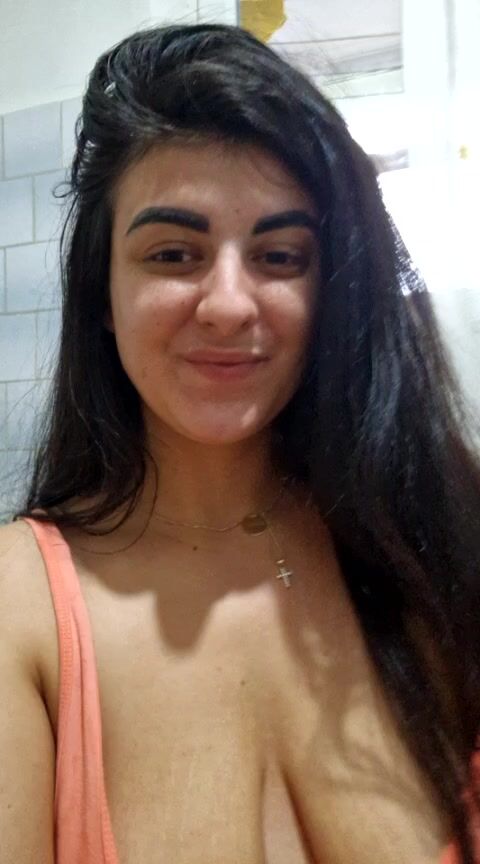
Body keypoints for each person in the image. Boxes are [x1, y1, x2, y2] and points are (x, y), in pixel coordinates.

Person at [0, 22, 479, 864]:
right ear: (102, 295)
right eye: (173, 253)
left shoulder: (436, 537)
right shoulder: (19, 612)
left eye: (281, 255)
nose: (228, 304)